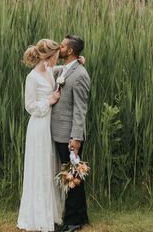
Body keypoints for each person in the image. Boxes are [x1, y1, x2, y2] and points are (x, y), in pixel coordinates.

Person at [17, 39, 64, 232]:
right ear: (48, 56)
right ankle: (36, 216)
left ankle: (50, 213)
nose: (57, 60)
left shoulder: (49, 70)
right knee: (39, 166)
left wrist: (77, 62)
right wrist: (50, 101)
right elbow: (29, 106)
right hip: (38, 126)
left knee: (49, 166)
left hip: (49, 125)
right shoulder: (32, 77)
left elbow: (57, 70)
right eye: (56, 57)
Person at [51, 35, 90, 231]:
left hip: (68, 134)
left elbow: (80, 109)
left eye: (63, 45)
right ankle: (80, 215)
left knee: (72, 175)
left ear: (71, 51)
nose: (60, 47)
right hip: (59, 131)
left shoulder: (80, 75)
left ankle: (74, 220)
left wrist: (76, 138)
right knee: (73, 174)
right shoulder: (67, 69)